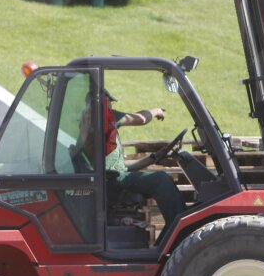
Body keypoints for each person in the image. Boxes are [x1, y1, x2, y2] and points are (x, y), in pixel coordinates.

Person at [74, 92, 185, 224]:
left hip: (108, 178)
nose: (111, 106)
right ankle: (181, 225)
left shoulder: (92, 125)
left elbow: (121, 169)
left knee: (156, 178)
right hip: (110, 181)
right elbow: (140, 118)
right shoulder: (103, 115)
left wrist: (153, 158)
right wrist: (157, 111)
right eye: (110, 103)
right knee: (161, 180)